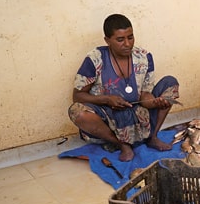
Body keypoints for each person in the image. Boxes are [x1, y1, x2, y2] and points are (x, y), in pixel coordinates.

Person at [68, 14, 180, 161]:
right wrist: (107, 99)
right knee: (77, 111)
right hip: (108, 115)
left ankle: (152, 137)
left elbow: (144, 95)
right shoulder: (95, 59)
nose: (127, 44)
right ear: (107, 40)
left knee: (170, 83)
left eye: (130, 37)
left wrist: (155, 102)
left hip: (138, 112)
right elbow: (78, 96)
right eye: (120, 39)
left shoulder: (144, 57)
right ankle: (121, 144)